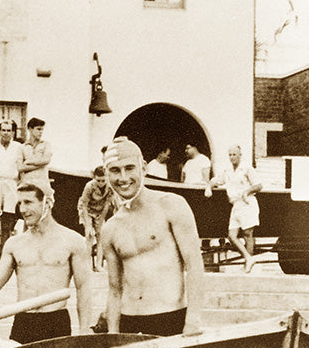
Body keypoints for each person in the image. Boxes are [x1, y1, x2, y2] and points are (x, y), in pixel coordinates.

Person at [0, 182, 93, 343]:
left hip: (56, 321)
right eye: (20, 203)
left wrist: (84, 329)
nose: (22, 209)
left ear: (47, 203)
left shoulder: (73, 241)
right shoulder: (14, 243)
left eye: (28, 202)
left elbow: (83, 288)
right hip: (24, 321)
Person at [100, 138, 204, 336]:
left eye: (129, 168)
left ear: (144, 167)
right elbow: (114, 290)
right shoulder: (110, 228)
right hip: (128, 321)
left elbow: (195, 266)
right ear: (106, 174)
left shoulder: (171, 205)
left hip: (168, 318)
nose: (123, 178)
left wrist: (192, 321)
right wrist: (112, 336)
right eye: (114, 170)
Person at [206, 144, 262, 273]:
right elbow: (216, 181)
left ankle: (247, 265)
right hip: (236, 205)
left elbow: (259, 185)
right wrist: (208, 187)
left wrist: (246, 191)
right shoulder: (228, 171)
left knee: (248, 234)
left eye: (235, 154)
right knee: (232, 236)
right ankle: (249, 258)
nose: (232, 157)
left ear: (240, 155)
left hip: (247, 203)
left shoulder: (247, 168)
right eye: (230, 155)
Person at [0, 121, 23, 262]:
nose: (6, 133)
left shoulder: (19, 147)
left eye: (9, 130)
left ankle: (3, 256)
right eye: (3, 130)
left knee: (7, 222)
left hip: (10, 183)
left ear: (13, 132)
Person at [77, 165, 119, 271]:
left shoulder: (110, 187)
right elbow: (84, 205)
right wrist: (88, 225)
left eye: (103, 180)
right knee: (89, 237)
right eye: (98, 180)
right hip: (87, 211)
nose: (101, 183)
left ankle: (98, 265)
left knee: (101, 237)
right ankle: (87, 265)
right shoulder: (89, 186)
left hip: (100, 211)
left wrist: (100, 223)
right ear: (94, 178)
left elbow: (106, 206)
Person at [19, 117, 51, 190]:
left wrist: (28, 162)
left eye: (42, 129)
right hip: (27, 185)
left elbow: (46, 160)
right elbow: (20, 168)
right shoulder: (22, 147)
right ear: (30, 129)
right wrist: (41, 164)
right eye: (38, 129)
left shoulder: (46, 144)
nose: (41, 132)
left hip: (43, 185)